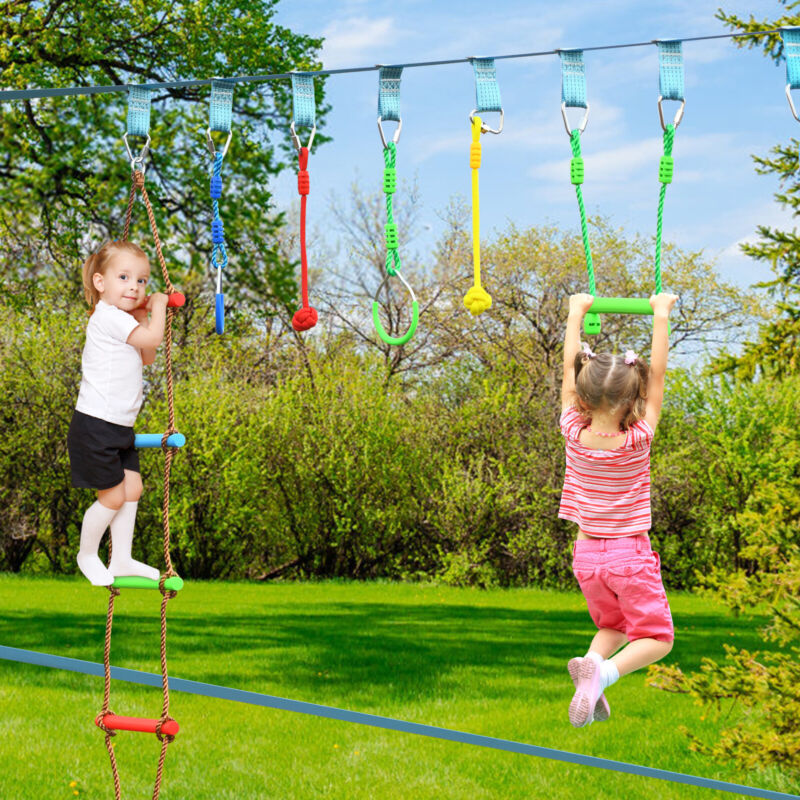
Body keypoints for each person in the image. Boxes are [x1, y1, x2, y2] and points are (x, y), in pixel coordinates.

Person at [559, 292, 679, 727]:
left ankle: (591, 668)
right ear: (635, 399)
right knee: (658, 638)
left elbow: (568, 378)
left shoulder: (573, 430)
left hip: (587, 557)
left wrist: (576, 314)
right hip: (628, 555)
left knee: (614, 627)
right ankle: (604, 674)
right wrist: (660, 314)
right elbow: (660, 377)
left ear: (582, 400)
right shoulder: (638, 438)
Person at [67, 240, 169, 585]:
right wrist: (159, 306)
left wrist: (141, 315)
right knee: (111, 496)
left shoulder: (123, 321)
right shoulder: (107, 316)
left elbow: (148, 355)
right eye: (124, 277)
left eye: (141, 281)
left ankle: (121, 558)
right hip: (95, 426)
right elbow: (154, 338)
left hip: (119, 428)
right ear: (100, 283)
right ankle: (87, 554)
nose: (134, 287)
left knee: (133, 488)